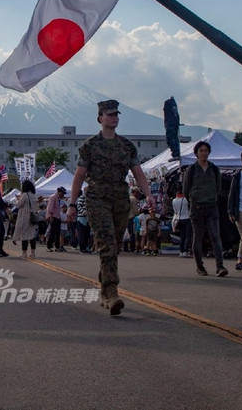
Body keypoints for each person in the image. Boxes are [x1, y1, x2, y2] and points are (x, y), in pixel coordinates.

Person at [68, 99, 152, 316]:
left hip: (120, 200)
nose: (114, 117)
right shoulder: (89, 146)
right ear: (100, 118)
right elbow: (79, 176)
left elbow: (138, 172)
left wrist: (149, 195)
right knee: (107, 245)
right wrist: (71, 204)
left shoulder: (126, 146)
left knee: (114, 246)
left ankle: (104, 288)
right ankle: (113, 292)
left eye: (116, 114)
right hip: (97, 199)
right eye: (109, 114)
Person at [181, 140, 229, 278]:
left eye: (206, 150)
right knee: (198, 237)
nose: (204, 153)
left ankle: (220, 266)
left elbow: (218, 187)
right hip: (196, 207)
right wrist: (193, 199)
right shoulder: (191, 169)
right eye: (201, 151)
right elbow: (186, 189)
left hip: (211, 206)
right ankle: (200, 267)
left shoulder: (214, 169)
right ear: (196, 153)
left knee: (215, 236)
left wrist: (212, 197)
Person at [12, 179, 38, 258]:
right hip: (32, 216)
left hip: (24, 216)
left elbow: (18, 205)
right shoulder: (34, 195)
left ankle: (24, 252)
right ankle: (33, 252)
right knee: (32, 235)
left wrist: (18, 199)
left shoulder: (25, 195)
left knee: (24, 235)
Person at [172, 191, 192, 258]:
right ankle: (185, 251)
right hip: (187, 218)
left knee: (182, 236)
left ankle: (181, 251)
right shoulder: (185, 200)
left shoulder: (174, 200)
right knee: (187, 236)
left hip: (178, 219)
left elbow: (175, 211)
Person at [45, 187, 67, 251]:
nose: (63, 195)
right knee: (52, 232)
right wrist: (51, 216)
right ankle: (49, 246)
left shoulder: (58, 198)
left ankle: (57, 246)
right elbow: (50, 207)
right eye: (62, 193)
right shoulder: (53, 197)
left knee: (57, 232)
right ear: (59, 192)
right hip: (53, 216)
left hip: (57, 216)